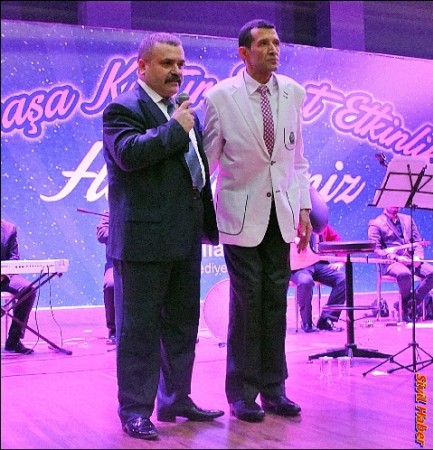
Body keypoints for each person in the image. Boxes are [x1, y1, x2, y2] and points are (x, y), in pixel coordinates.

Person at [102, 32, 223, 440]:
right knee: (138, 331)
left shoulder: (183, 113)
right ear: (142, 67)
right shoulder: (123, 108)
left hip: (184, 238)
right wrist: (174, 129)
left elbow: (195, 172)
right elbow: (129, 155)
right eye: (167, 63)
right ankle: (135, 410)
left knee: (182, 326)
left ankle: (175, 399)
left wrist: (206, 223)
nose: (176, 71)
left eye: (180, 64)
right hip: (142, 243)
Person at [203, 19, 312, 423]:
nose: (273, 49)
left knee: (274, 304)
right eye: (263, 43)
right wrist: (197, 213)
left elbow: (297, 160)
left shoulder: (293, 92)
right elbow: (207, 162)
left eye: (276, 43)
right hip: (239, 216)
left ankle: (275, 389)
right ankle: (242, 393)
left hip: (281, 215)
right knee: (247, 304)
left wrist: (303, 208)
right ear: (244, 53)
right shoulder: (220, 97)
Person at [368, 206, 433, 322]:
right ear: (385, 203)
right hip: (391, 263)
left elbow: (418, 243)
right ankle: (406, 307)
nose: (396, 205)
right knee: (405, 274)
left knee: (431, 273)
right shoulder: (376, 224)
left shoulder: (408, 219)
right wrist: (397, 258)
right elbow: (376, 251)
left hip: (411, 260)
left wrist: (418, 257)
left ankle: (408, 304)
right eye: (393, 202)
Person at [290, 224, 345, 333]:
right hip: (299, 267)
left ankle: (327, 319)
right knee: (305, 281)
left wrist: (340, 261)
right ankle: (307, 323)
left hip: (319, 264)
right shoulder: (291, 223)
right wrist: (292, 239)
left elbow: (337, 241)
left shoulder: (320, 224)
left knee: (343, 279)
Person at [1, 219, 36, 354]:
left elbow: (14, 258)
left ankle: (13, 340)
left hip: (4, 277)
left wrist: (4, 275)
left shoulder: (9, 229)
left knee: (28, 290)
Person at [96, 211, 116, 345]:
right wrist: (122, 230)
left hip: (143, 263)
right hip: (116, 263)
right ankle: (114, 329)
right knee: (111, 285)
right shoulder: (111, 212)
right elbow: (101, 234)